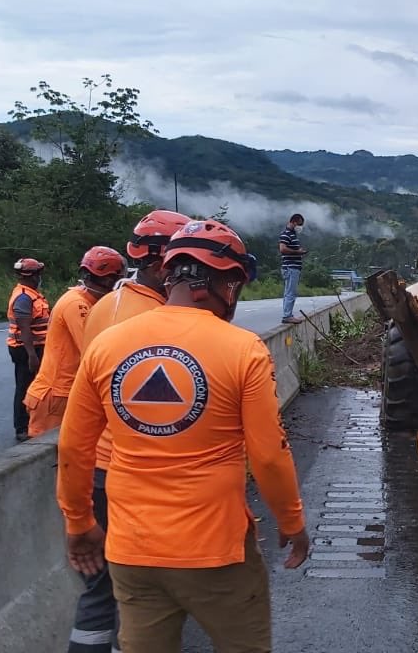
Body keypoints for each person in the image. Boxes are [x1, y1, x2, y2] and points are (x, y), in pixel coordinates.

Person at [57, 219, 310, 653]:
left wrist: (79, 524)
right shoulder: (243, 349)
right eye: (236, 287)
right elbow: (268, 456)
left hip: (132, 551)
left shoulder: (107, 344)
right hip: (217, 551)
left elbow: (74, 447)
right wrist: (292, 522)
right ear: (225, 284)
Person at [67, 209, 192, 653]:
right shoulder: (161, 321)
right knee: (144, 595)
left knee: (102, 590)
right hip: (139, 473)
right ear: (163, 264)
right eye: (184, 263)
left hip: (102, 472)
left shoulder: (104, 307)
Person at [24, 246, 126, 440]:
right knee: (52, 460)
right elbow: (94, 350)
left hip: (65, 393)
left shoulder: (87, 300)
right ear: (107, 280)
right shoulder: (77, 304)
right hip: (56, 396)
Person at [7, 257, 49, 443]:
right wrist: (32, 355)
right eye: (39, 274)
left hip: (33, 348)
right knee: (24, 387)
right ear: (33, 276)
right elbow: (25, 329)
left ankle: (33, 421)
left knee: (32, 385)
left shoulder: (32, 294)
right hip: (25, 349)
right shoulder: (24, 297)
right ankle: (22, 428)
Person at [278, 213, 306, 323]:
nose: (300, 227)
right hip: (290, 267)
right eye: (299, 224)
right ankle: (287, 316)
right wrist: (297, 252)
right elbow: (283, 249)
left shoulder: (293, 234)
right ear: (294, 222)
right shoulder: (286, 234)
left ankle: (287, 314)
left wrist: (300, 252)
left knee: (288, 292)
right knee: (291, 292)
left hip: (293, 267)